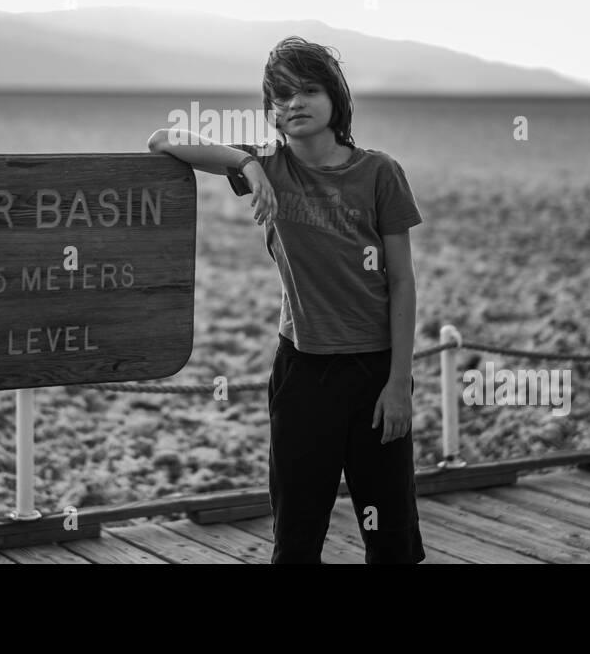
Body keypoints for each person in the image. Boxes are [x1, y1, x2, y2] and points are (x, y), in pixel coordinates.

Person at [146, 36, 426, 563]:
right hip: (302, 375)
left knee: (391, 537)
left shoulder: (379, 173)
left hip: (376, 370)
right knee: (297, 534)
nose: (293, 103)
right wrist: (246, 166)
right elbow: (162, 139)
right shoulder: (270, 168)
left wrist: (398, 385)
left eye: (308, 91)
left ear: (335, 98)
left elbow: (403, 283)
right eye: (281, 96)